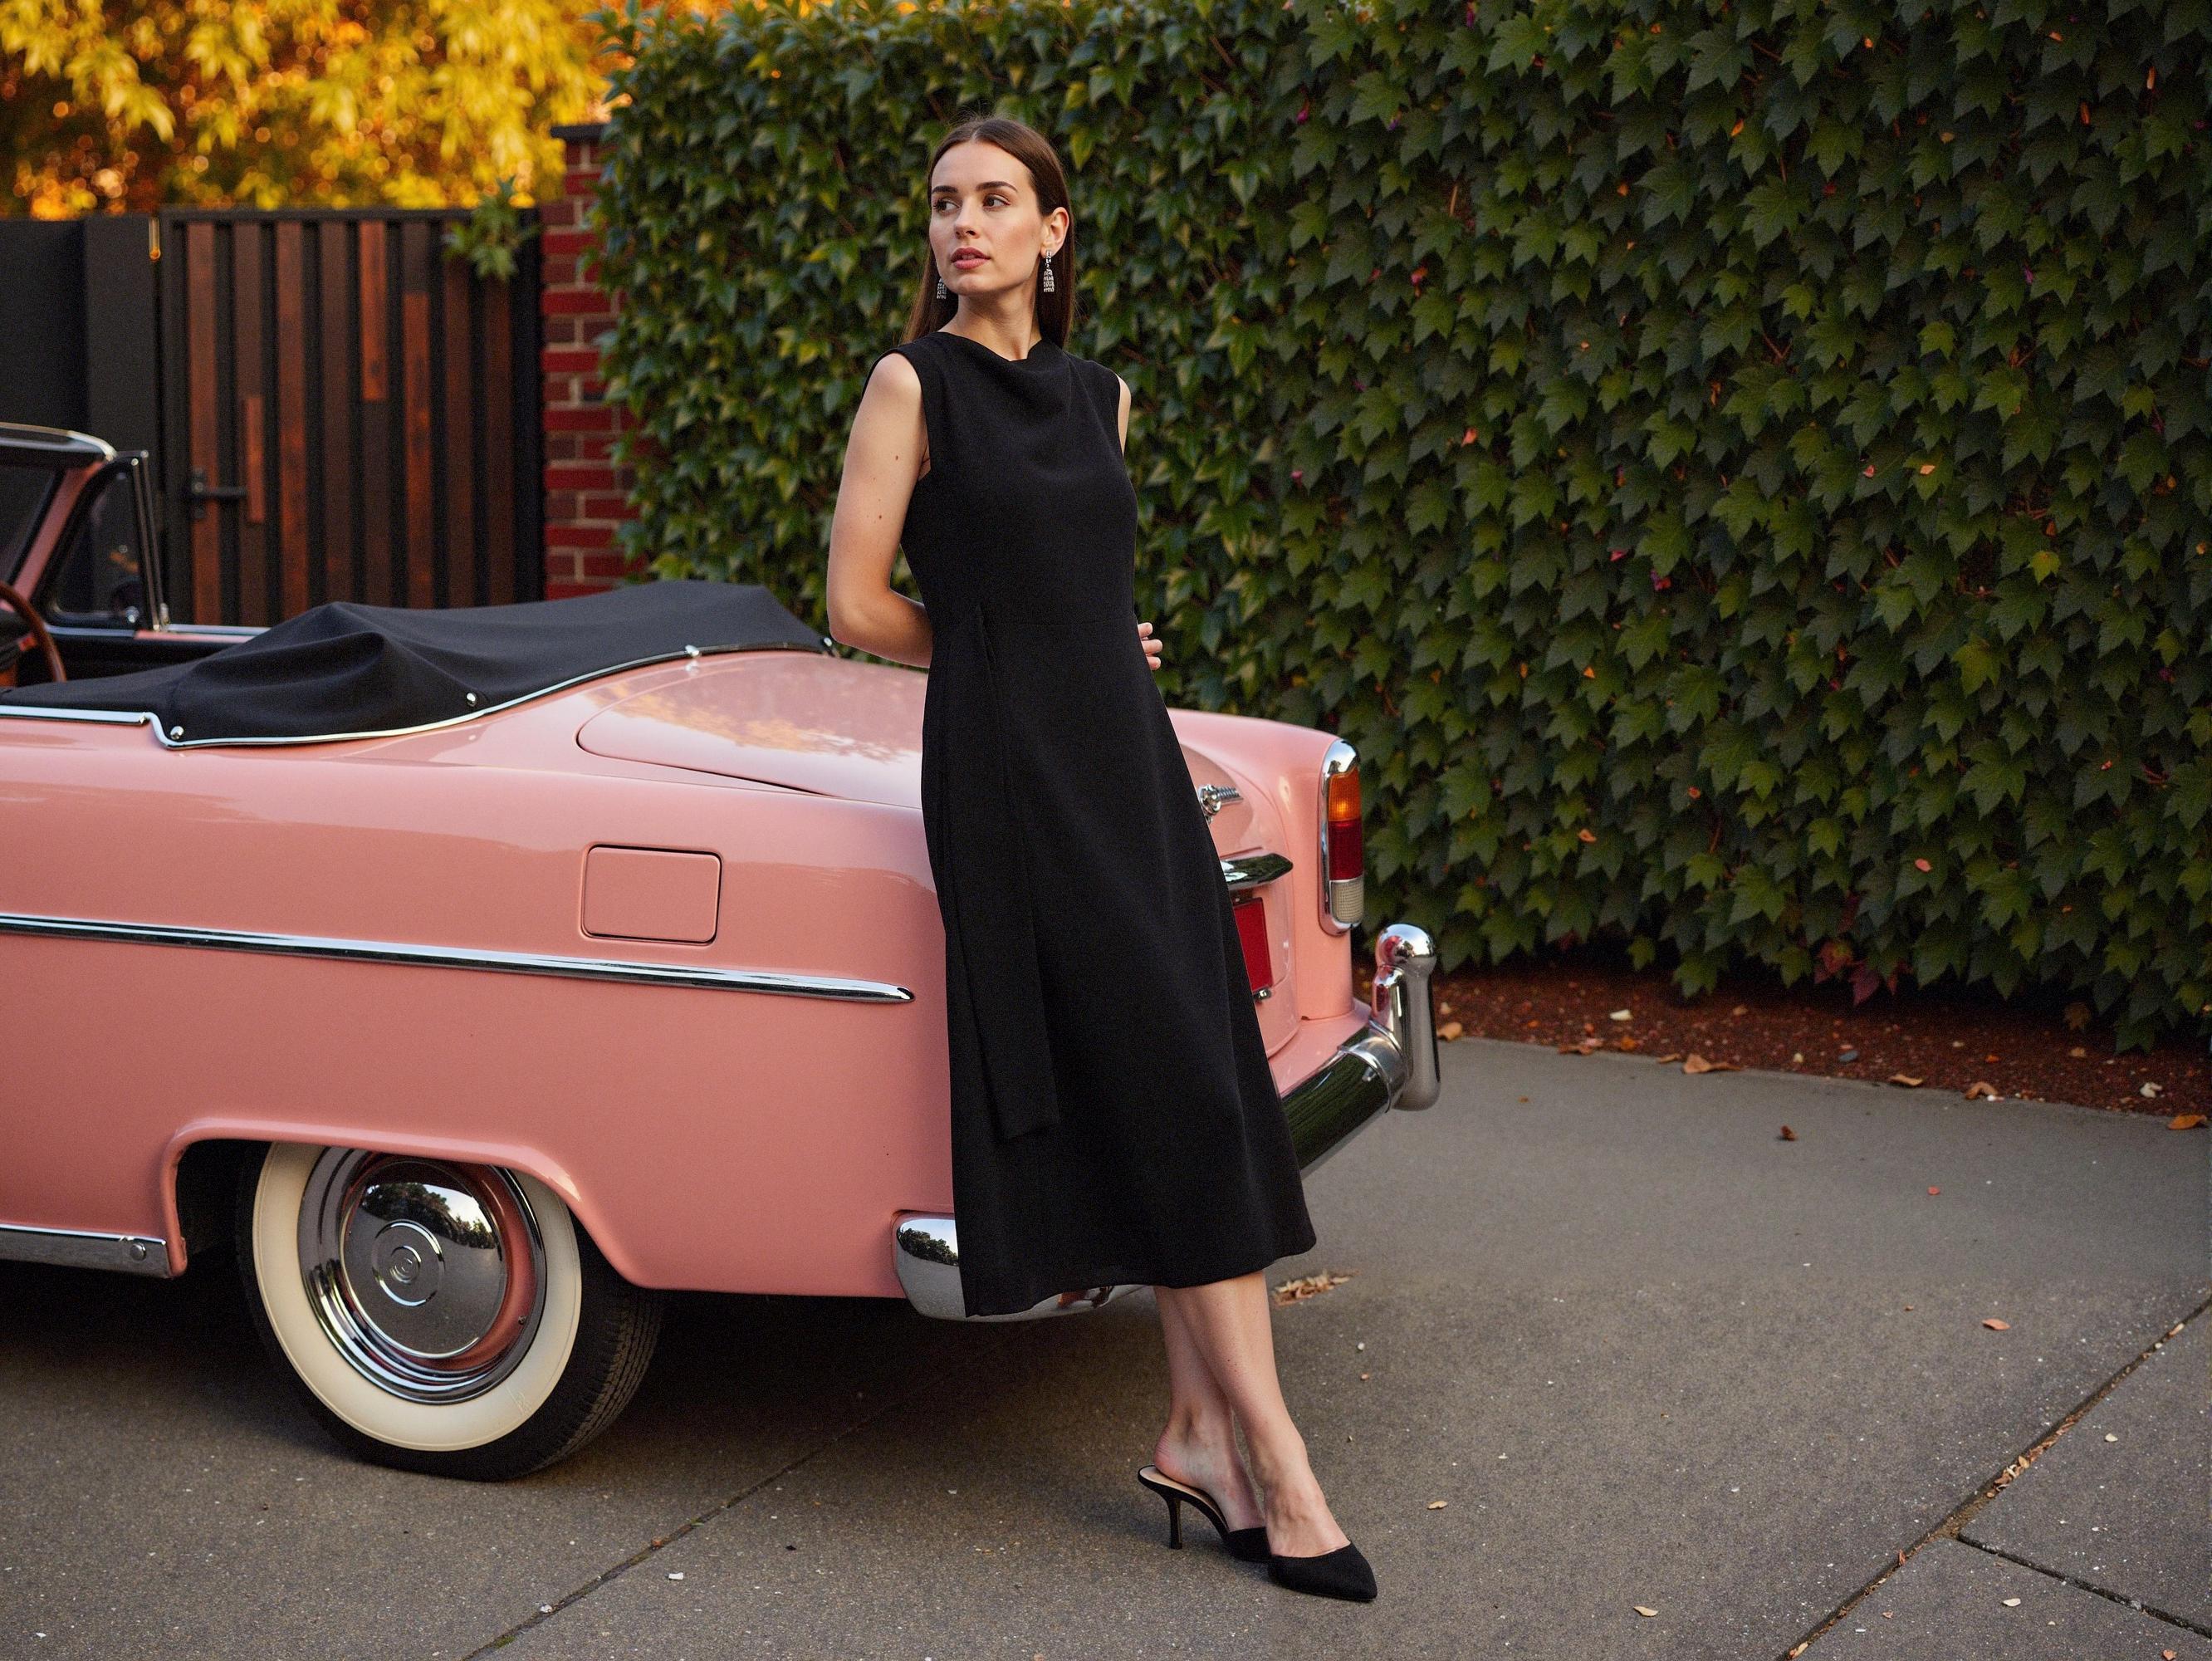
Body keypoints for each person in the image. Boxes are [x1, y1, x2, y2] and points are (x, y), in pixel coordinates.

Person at [824, 114, 1375, 1605]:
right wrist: (1002, 647)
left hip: (1127, 756)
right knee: (1176, 1086)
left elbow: (1079, 575)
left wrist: (1087, 638)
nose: (964, 224)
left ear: (1054, 230)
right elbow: (857, 603)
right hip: (1009, 771)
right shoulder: (912, 384)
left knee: (1188, 1074)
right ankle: (1282, 1466)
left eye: (996, 200)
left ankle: (1199, 1432)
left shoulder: (1100, 395)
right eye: (944, 202)